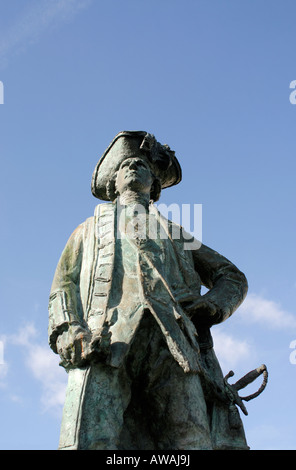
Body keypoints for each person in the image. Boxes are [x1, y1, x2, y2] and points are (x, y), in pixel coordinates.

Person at [48, 131, 249, 450]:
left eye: (142, 165)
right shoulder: (87, 231)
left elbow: (231, 276)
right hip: (108, 341)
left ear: (154, 185)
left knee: (191, 436)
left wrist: (211, 306)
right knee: (92, 437)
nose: (132, 167)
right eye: (125, 164)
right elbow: (63, 287)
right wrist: (70, 330)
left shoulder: (176, 234)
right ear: (113, 183)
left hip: (174, 343)